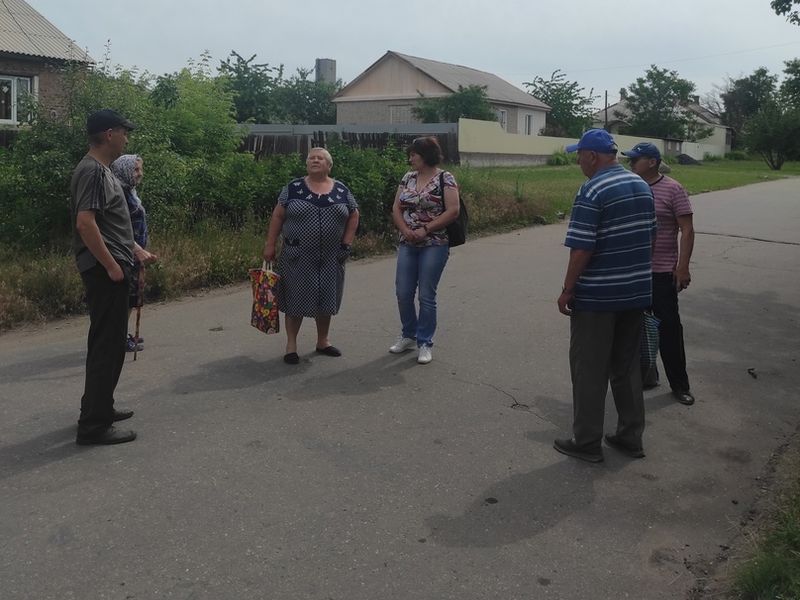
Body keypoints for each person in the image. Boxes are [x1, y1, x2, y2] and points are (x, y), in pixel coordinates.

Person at [554, 129, 657, 463]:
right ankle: (630, 437)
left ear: (592, 156)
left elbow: (581, 248)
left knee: (589, 369)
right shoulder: (641, 185)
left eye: (579, 155)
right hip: (636, 292)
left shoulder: (592, 189)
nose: (578, 161)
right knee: (626, 367)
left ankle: (586, 442)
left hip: (598, 297)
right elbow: (650, 237)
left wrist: (568, 289)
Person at [70, 109, 139, 445]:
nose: (127, 138)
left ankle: (101, 408)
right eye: (125, 132)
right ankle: (94, 425)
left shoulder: (103, 170)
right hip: (105, 272)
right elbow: (86, 223)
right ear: (109, 134)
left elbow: (110, 224)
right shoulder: (93, 172)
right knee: (106, 347)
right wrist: (113, 266)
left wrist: (136, 251)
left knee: (110, 346)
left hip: (113, 266)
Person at [263, 147, 359, 364]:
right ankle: (291, 346)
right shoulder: (293, 188)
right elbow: (278, 216)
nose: (315, 160)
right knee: (295, 298)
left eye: (320, 158)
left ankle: (323, 341)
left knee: (326, 297)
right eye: (311, 158)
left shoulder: (341, 190)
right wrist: (270, 244)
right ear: (307, 164)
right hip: (297, 255)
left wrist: (347, 243)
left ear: (329, 165)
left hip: (331, 257)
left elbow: (354, 215)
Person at [623, 142, 696, 405]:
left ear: (652, 161)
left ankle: (680, 385)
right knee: (633, 329)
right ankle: (646, 375)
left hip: (662, 272)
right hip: (633, 272)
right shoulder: (629, 186)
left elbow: (687, 229)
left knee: (669, 330)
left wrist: (683, 266)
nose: (630, 163)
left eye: (636, 159)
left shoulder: (673, 189)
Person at [389, 136, 460, 365]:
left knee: (426, 295)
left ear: (426, 155)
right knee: (403, 292)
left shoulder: (445, 178)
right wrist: (405, 230)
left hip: (435, 243)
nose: (410, 159)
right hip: (407, 242)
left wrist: (426, 229)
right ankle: (408, 335)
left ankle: (425, 342)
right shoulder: (408, 177)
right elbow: (396, 208)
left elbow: (453, 210)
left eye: (414, 155)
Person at [110, 154, 157, 352]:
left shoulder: (129, 190)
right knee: (123, 300)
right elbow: (117, 227)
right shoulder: (118, 193)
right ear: (124, 170)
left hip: (134, 254)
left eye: (140, 169)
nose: (140, 174)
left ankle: (119, 335)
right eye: (135, 170)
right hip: (124, 255)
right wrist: (136, 249)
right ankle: (116, 340)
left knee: (129, 299)